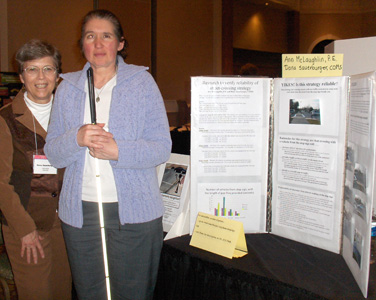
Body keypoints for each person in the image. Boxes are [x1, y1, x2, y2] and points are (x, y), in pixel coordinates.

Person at [44, 9, 172, 300]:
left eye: (107, 36)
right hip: (80, 214)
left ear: (120, 44)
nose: (98, 44)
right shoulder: (67, 88)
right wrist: (76, 138)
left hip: (134, 213)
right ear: (82, 44)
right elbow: (53, 153)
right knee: (90, 292)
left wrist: (118, 151)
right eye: (90, 36)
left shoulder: (141, 83)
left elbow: (161, 146)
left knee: (133, 292)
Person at [0, 39, 71, 300]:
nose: (41, 77)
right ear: (21, 75)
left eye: (48, 69)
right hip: (27, 225)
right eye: (32, 69)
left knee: (63, 291)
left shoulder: (71, 116)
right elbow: (0, 183)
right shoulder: (6, 119)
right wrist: (25, 230)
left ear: (58, 74)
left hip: (65, 223)